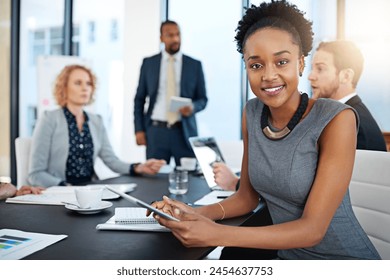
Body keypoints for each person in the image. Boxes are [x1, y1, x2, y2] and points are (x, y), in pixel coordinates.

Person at [148, 0, 380, 259]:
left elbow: (313, 229)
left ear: (301, 63)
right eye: (256, 65)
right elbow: (246, 198)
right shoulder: (252, 112)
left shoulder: (336, 118)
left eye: (281, 62)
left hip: (341, 262)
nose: (268, 75)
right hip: (288, 258)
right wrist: (191, 212)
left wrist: (215, 234)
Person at [28, 64, 166, 187]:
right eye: (78, 83)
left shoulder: (96, 121)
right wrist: (66, 187)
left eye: (88, 83)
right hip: (59, 193)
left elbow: (111, 160)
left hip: (90, 191)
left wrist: (139, 167)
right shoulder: (49, 119)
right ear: (64, 87)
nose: (85, 88)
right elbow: (36, 173)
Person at [133, 20, 208, 166]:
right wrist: (139, 130)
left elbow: (203, 99)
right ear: (161, 38)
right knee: (154, 180)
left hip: (184, 132)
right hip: (156, 132)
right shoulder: (149, 63)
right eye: (170, 35)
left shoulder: (194, 65)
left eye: (178, 34)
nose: (175, 39)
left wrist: (192, 107)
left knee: (188, 179)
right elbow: (139, 99)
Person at [309, 40, 387, 151]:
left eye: (320, 69)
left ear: (346, 76)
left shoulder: (356, 126)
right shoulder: (341, 116)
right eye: (312, 68)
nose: (311, 76)